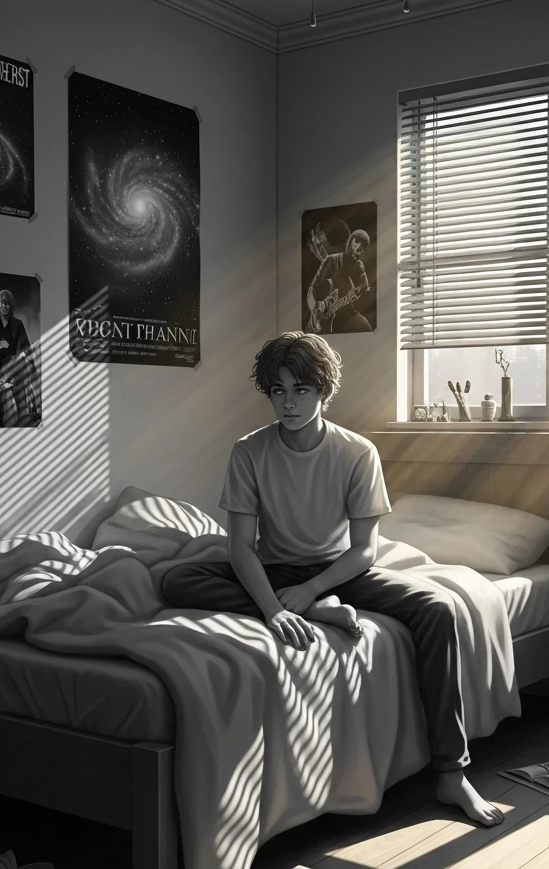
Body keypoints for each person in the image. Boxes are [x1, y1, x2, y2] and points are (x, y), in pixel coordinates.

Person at [162, 330, 504, 828]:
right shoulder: (249, 451)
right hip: (275, 570)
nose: (289, 402)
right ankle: (312, 611)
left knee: (438, 608)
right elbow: (239, 546)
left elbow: (365, 549)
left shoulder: (357, 452)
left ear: (323, 390)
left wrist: (312, 589)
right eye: (278, 391)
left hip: (340, 570)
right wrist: (276, 608)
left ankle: (452, 773)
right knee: (177, 580)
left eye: (301, 389)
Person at [0, 289, 38, 427]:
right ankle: (24, 413)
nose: (4, 306)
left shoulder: (18, 324)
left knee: (24, 361)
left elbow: (26, 348)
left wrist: (31, 366)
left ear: (11, 305)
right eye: (2, 302)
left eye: (7, 303)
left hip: (15, 367)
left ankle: (23, 414)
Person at [306, 228, 373, 334]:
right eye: (356, 243)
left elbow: (364, 289)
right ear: (351, 241)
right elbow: (312, 290)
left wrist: (361, 294)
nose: (357, 248)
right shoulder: (331, 260)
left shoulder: (360, 267)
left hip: (349, 315)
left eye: (361, 246)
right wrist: (315, 313)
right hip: (327, 320)